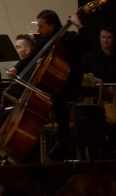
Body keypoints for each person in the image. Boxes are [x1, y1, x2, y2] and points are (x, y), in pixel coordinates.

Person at [6, 9, 85, 160]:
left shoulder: (70, 38)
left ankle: (63, 148)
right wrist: (16, 68)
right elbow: (32, 56)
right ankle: (33, 152)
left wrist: (79, 25)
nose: (38, 30)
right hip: (53, 86)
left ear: (52, 25)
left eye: (41, 26)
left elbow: (89, 45)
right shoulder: (45, 40)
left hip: (70, 85)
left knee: (60, 103)